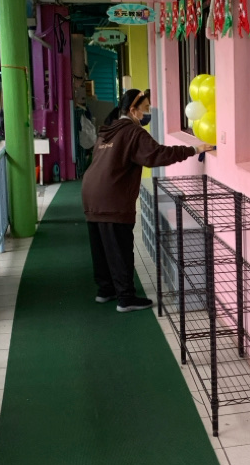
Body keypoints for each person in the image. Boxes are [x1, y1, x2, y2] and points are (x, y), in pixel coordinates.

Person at [82, 88, 212, 312]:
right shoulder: (133, 132)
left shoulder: (108, 130)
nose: (147, 113)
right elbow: (158, 154)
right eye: (144, 108)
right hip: (112, 196)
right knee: (120, 247)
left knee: (101, 246)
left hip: (90, 192)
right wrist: (193, 149)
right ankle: (126, 298)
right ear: (133, 110)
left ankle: (105, 290)